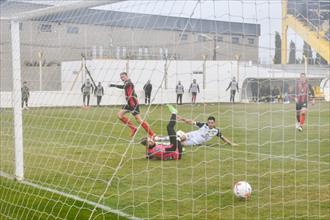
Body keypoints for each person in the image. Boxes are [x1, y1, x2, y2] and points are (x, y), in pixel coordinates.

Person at [155, 105, 237, 147]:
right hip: (192, 134)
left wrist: (231, 143)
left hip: (195, 141)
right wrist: (182, 119)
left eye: (212, 123)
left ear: (214, 123)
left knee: (179, 144)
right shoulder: (203, 125)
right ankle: (159, 139)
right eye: (209, 122)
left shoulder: (216, 131)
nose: (210, 124)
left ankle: (159, 143)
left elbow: (223, 138)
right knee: (178, 137)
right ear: (207, 122)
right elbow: (191, 122)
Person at [109, 72, 155, 137]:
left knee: (139, 120)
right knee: (119, 115)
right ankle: (133, 128)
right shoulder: (127, 83)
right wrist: (113, 85)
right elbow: (123, 87)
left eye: (123, 76)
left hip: (133, 104)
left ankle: (152, 134)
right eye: (121, 77)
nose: (122, 78)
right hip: (129, 104)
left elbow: (130, 95)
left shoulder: (129, 83)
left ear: (127, 76)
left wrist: (132, 105)